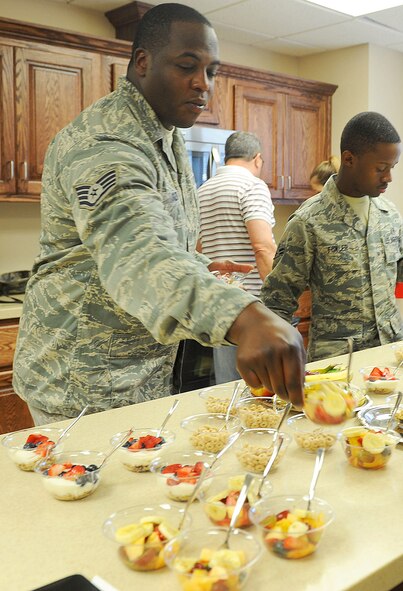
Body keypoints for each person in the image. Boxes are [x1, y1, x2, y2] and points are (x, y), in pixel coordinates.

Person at [13, 3, 305, 425]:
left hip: (137, 375)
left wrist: (199, 264)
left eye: (211, 72)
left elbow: (156, 242)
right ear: (143, 62)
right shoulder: (106, 143)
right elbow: (137, 254)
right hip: (79, 382)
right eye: (188, 66)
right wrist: (243, 316)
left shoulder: (165, 136)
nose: (202, 84)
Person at [261, 111, 403, 361]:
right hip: (338, 363)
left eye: (392, 168)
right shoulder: (309, 222)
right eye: (381, 168)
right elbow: (277, 300)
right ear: (349, 159)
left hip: (390, 355)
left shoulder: (390, 215)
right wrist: (279, 357)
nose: (388, 177)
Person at [198, 131, 277, 383]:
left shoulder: (202, 191)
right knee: (261, 388)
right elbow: (263, 246)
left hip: (217, 304)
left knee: (228, 386)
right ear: (257, 159)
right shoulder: (252, 186)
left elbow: (197, 250)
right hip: (251, 306)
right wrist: (279, 297)